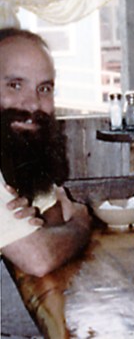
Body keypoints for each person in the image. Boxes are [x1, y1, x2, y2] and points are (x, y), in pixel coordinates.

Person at [0, 28, 92, 278]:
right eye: (15, 85)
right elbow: (39, 259)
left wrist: (44, 231)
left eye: (44, 89)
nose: (32, 104)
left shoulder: (20, 151)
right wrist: (81, 225)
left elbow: (54, 213)